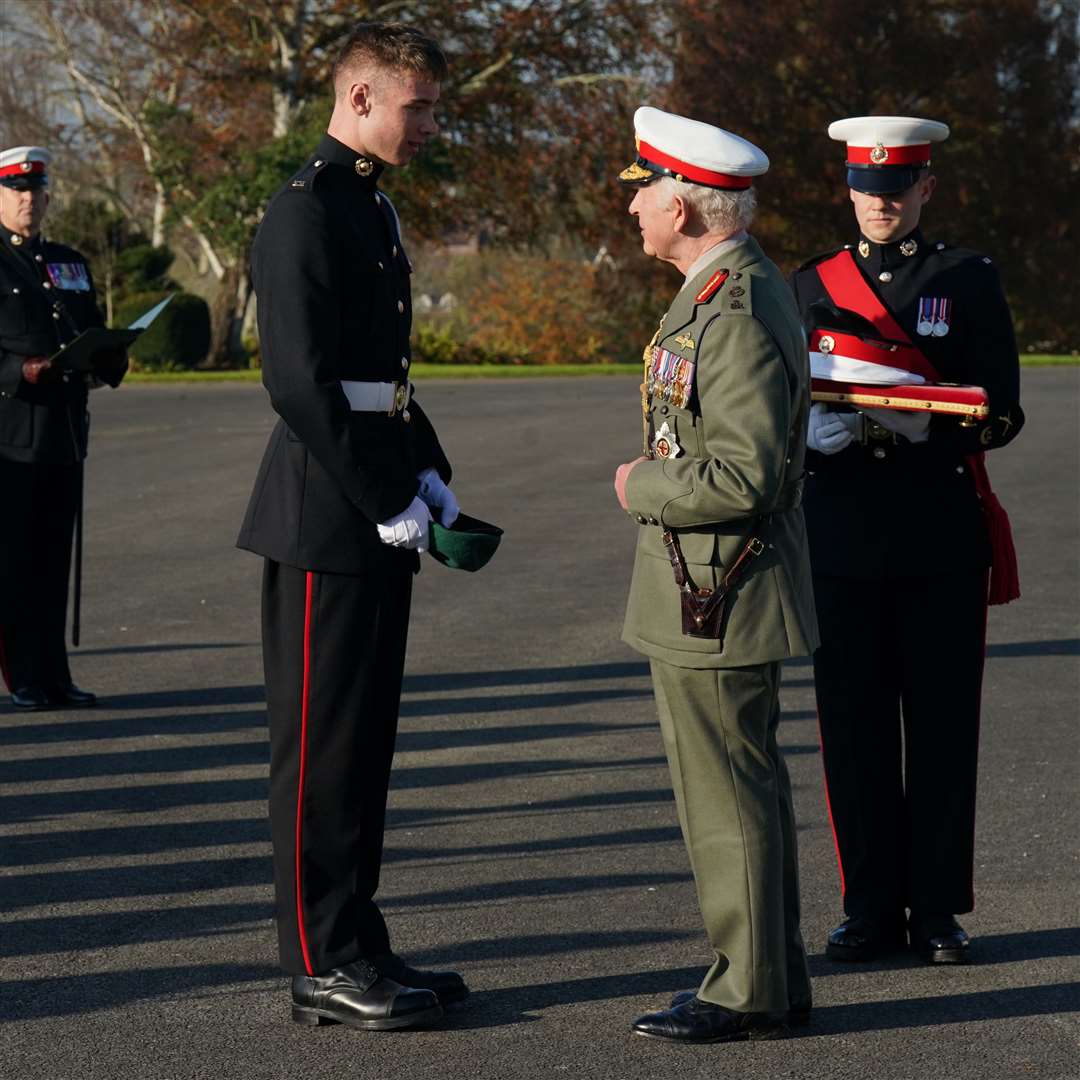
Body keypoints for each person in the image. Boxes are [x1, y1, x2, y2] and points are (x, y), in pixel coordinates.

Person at [236, 23, 467, 1031]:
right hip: (330, 512)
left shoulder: (368, 208)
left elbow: (387, 381)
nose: (430, 125)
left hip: (374, 491)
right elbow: (299, 381)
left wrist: (430, 471)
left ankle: (359, 938)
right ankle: (320, 958)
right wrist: (383, 496)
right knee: (321, 749)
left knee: (365, 743)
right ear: (361, 99)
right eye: (418, 107)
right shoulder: (304, 213)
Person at [789, 116, 1024, 965]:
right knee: (849, 728)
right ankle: (867, 906)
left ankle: (935, 910)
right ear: (848, 187)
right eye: (866, 188)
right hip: (840, 533)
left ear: (925, 187)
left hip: (935, 531)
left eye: (897, 189)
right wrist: (807, 435)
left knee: (940, 726)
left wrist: (929, 429)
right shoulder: (810, 282)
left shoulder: (965, 277)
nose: (880, 203)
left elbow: (1002, 408)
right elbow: (776, 395)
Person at [613, 106, 819, 1044]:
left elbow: (747, 469)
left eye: (645, 192)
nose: (635, 211)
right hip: (709, 584)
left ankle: (750, 991)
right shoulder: (718, 287)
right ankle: (766, 977)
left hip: (719, 588)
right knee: (738, 788)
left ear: (687, 207)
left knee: (727, 796)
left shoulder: (732, 306)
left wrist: (639, 484)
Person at [0, 145, 126, 711]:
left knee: (54, 561)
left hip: (65, 433)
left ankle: (55, 675)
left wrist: (111, 355)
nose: (28, 199)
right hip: (10, 436)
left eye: (36, 190)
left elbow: (89, 329)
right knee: (15, 561)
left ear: (49, 195)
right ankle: (23, 675)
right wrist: (20, 370)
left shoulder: (67, 261)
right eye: (16, 190)